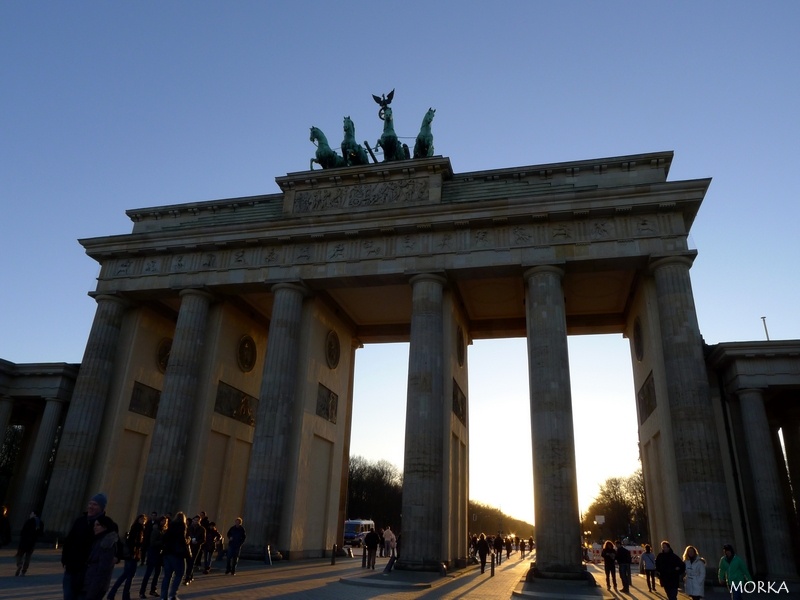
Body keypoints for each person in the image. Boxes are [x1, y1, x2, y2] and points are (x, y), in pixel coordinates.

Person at [62, 493, 115, 600]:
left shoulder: (106, 525)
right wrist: (65, 559)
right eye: (90, 503)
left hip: (88, 573)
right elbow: (69, 541)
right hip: (72, 569)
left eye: (95, 504)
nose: (90, 506)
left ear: (101, 507)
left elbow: (113, 546)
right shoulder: (80, 521)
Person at [107, 514, 146, 599]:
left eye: (143, 519)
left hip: (132, 555)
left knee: (127, 575)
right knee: (128, 575)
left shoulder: (137, 528)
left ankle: (116, 594)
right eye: (141, 519)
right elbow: (132, 542)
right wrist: (140, 544)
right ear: (138, 519)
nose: (142, 520)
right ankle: (122, 595)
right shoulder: (137, 528)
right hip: (132, 555)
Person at [83, 515, 120, 600]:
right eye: (94, 525)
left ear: (105, 527)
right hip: (91, 581)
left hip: (96, 585)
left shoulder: (107, 543)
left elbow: (103, 569)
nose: (94, 527)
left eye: (98, 525)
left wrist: (93, 590)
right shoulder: (99, 539)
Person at [160, 512, 190, 600]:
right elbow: (182, 540)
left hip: (167, 553)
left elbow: (164, 539)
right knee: (179, 574)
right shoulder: (182, 526)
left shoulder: (170, 526)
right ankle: (172, 594)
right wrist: (188, 540)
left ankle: (163, 596)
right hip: (177, 554)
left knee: (167, 576)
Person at [139, 515, 167, 599]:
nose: (164, 522)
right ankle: (142, 592)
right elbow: (152, 542)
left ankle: (153, 590)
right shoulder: (156, 530)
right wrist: (162, 542)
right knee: (148, 573)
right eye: (163, 521)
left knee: (157, 573)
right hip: (153, 553)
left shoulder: (163, 530)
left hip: (159, 554)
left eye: (165, 521)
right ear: (159, 521)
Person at [15, 509, 44, 576]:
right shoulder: (41, 523)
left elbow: (23, 531)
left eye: (31, 513)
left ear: (34, 514)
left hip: (24, 541)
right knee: (28, 557)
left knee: (19, 555)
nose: (30, 515)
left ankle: (19, 564)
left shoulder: (29, 521)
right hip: (32, 543)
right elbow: (41, 533)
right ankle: (24, 571)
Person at [184, 514, 205, 584]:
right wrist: (188, 541)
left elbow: (203, 539)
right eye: (195, 520)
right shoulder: (189, 528)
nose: (196, 521)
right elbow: (186, 536)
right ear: (193, 520)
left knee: (192, 561)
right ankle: (190, 575)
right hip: (188, 546)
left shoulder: (202, 529)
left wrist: (198, 542)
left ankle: (187, 577)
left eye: (198, 520)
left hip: (196, 547)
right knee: (188, 561)